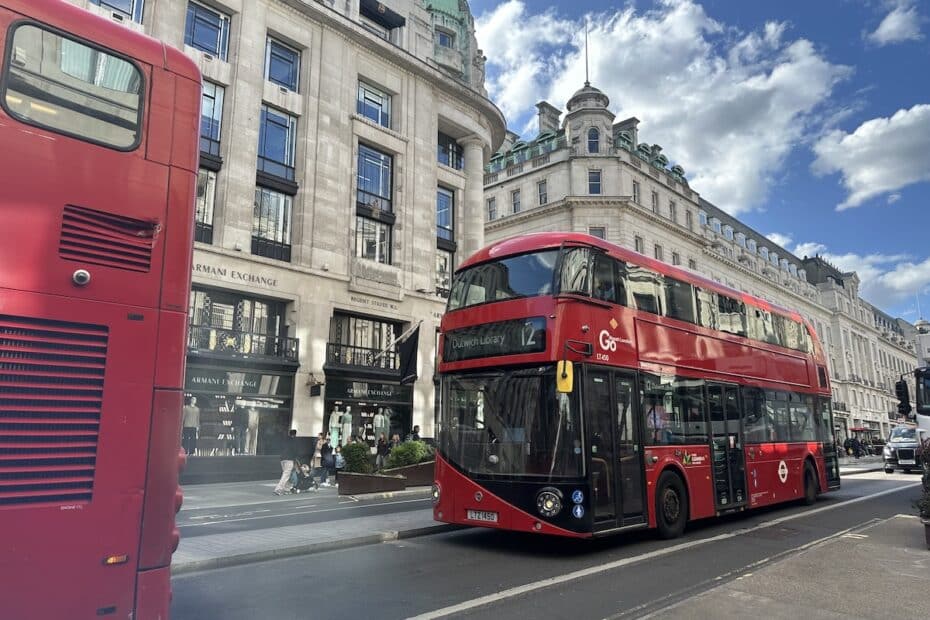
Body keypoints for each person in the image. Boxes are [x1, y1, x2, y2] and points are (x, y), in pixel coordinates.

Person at [274, 429, 299, 495]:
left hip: (282, 459)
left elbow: (280, 447)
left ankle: (287, 489)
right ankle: (278, 489)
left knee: (287, 474)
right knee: (286, 475)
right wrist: (295, 459)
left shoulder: (285, 440)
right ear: (295, 434)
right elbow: (295, 450)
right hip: (289, 459)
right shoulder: (294, 441)